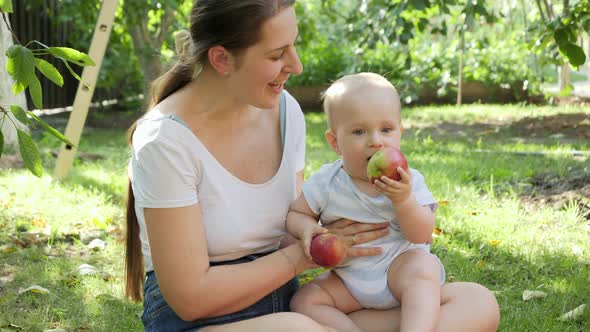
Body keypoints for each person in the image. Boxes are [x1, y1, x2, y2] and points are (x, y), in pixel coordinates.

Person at [124, 1, 500, 331]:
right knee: (297, 328)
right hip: (208, 320)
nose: (297, 66)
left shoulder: (284, 111)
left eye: (294, 46)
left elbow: (290, 223)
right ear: (222, 59)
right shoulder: (164, 142)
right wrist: (303, 256)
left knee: (476, 304)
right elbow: (192, 300)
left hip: (289, 305)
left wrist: (325, 235)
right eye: (276, 55)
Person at [287, 72, 447, 332]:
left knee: (422, 268)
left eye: (386, 129)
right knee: (305, 301)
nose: (376, 140)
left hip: (400, 271)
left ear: (399, 133)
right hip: (349, 279)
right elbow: (296, 214)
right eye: (359, 131)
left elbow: (422, 234)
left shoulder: (408, 181)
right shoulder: (327, 182)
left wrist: (403, 200)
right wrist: (306, 229)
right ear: (335, 142)